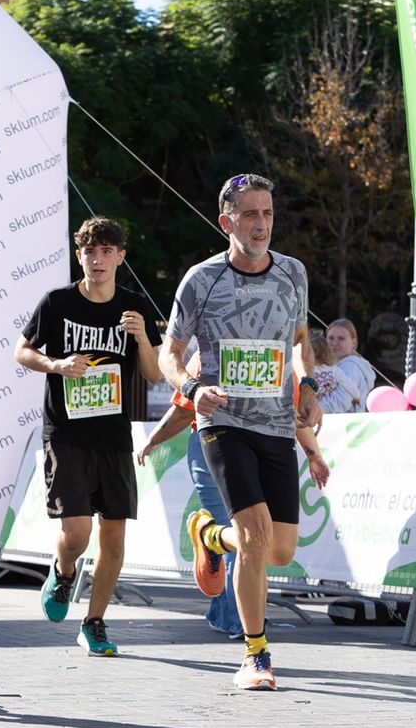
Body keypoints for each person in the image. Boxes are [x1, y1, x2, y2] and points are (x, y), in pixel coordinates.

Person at [160, 173, 322, 691]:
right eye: (249, 214)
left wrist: (310, 384)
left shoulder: (293, 273)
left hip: (275, 423)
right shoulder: (201, 280)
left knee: (280, 551)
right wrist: (189, 386)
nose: (260, 224)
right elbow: (170, 352)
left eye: (268, 213)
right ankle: (256, 656)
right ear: (225, 220)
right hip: (222, 421)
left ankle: (208, 535)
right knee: (254, 538)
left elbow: (300, 339)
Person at [13, 216, 163, 656]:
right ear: (79, 256)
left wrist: (143, 340)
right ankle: (62, 573)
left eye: (105, 252)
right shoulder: (57, 302)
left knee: (113, 536)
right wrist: (56, 365)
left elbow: (154, 375)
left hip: (114, 435)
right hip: (65, 430)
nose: (97, 260)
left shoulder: (134, 306)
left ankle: (94, 622)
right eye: (89, 252)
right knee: (77, 533)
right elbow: (22, 351)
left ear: (120, 257)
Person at [139, 353, 331, 639]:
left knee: (271, 545)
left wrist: (314, 455)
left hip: (267, 448)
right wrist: (153, 440)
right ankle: (239, 620)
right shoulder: (208, 350)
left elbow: (295, 414)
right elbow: (183, 409)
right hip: (214, 445)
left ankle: (211, 542)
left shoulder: (278, 353)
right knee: (247, 534)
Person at [326, 319, 375, 412]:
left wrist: (310, 408)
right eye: (331, 338)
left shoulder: (350, 367)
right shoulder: (338, 366)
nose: (334, 343)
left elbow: (338, 404)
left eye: (341, 338)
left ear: (353, 342)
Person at [308, 331, 358, 414]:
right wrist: (356, 396)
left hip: (311, 410)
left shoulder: (304, 371)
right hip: (331, 409)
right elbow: (348, 384)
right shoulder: (333, 369)